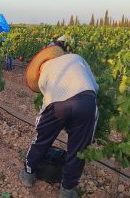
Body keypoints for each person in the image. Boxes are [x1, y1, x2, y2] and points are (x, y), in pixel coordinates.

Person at [20, 45, 99, 198]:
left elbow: (49, 102)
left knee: (41, 140)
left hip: (58, 106)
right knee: (79, 149)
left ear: (39, 69)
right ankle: (67, 190)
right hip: (87, 101)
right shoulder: (76, 58)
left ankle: (28, 175)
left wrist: (42, 124)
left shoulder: (44, 74)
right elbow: (94, 84)